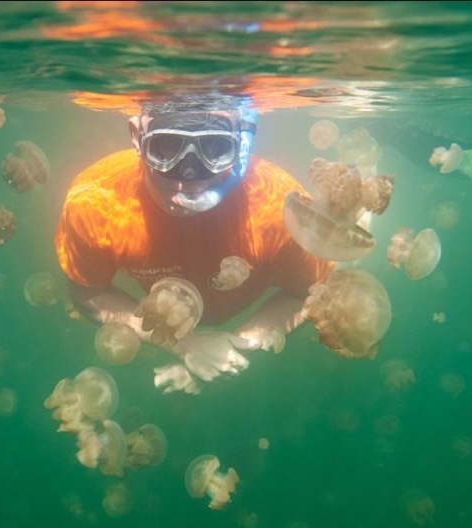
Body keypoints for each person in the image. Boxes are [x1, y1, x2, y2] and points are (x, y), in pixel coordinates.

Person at [55, 94, 332, 394]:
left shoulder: (279, 208)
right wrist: (186, 346)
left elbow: (309, 293)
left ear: (239, 145)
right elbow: (88, 291)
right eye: (166, 146)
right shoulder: (95, 202)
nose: (188, 180)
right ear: (137, 137)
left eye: (215, 147)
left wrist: (236, 347)